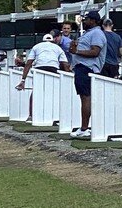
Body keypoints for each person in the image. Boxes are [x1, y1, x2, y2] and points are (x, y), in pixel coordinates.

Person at [70, 10, 107, 139]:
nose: (84, 21)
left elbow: (95, 52)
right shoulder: (89, 33)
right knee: (84, 97)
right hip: (81, 68)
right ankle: (84, 127)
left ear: (93, 21)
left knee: (86, 97)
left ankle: (84, 128)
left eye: (87, 19)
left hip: (87, 68)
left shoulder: (97, 33)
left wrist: (77, 51)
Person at [16, 32, 69, 119]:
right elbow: (65, 64)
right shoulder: (58, 48)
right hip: (53, 69)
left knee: (36, 91)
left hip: (39, 69)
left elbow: (29, 63)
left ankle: (31, 115)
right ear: (52, 40)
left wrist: (23, 80)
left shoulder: (36, 46)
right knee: (54, 92)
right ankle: (54, 115)